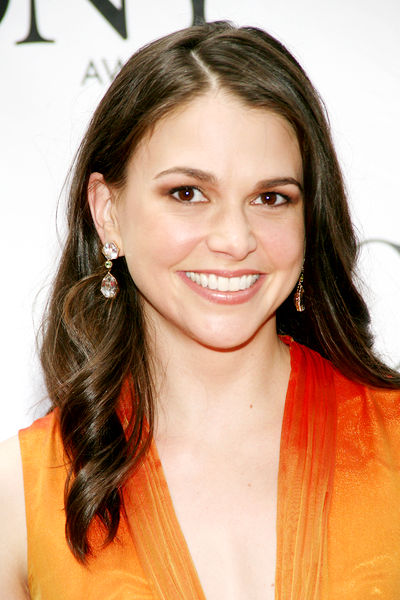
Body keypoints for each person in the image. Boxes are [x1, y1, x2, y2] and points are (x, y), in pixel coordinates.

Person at [1, 20, 399, 600]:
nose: (235, 238)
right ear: (108, 212)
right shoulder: (23, 492)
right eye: (187, 193)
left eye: (270, 198)